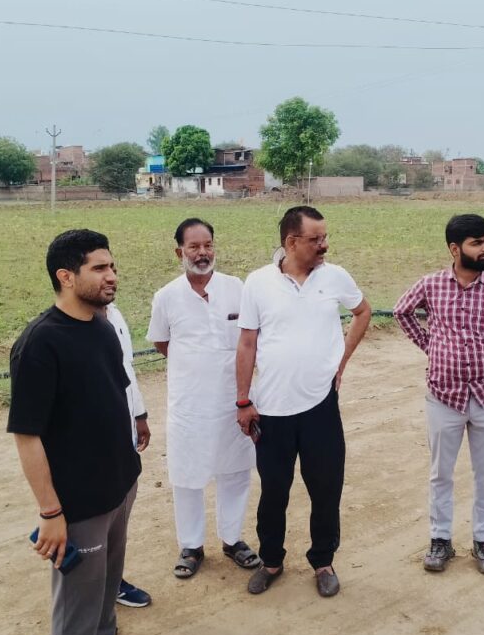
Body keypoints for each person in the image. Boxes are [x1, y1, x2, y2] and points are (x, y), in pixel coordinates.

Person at [8, 229, 148, 635]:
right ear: (66, 276)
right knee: (77, 605)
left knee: (107, 589)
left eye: (112, 266)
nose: (112, 275)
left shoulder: (103, 328)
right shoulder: (40, 343)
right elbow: (27, 436)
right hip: (78, 505)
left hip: (119, 487)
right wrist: (51, 512)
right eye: (99, 268)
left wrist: (129, 471)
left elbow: (114, 398)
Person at [236, 206, 371, 598]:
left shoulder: (335, 276)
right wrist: (243, 401)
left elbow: (362, 311)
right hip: (271, 409)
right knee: (274, 491)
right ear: (291, 242)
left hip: (320, 406)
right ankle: (271, 561)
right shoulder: (258, 282)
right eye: (316, 239)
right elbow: (247, 342)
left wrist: (342, 360)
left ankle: (323, 561)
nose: (324, 245)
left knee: (326, 487)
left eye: (325, 237)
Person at [393, 213, 484, 576]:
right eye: (477, 243)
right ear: (455, 249)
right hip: (444, 396)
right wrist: (431, 346)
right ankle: (440, 539)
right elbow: (402, 311)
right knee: (441, 473)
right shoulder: (431, 284)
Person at [147, 218, 261, 579]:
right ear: (179, 251)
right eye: (194, 247)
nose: (202, 253)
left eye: (208, 245)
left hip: (233, 399)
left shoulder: (236, 288)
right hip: (190, 404)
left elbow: (249, 339)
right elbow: (161, 342)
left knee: (235, 470)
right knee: (187, 474)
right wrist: (196, 364)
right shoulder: (166, 296)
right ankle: (191, 546)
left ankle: (232, 540)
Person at [104, 301, 153, 609]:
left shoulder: (115, 313)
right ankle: (93, 603)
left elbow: (127, 370)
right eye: (100, 275)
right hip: (94, 444)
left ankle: (112, 584)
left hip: (125, 433)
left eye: (112, 274)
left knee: (119, 517)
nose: (111, 278)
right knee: (92, 526)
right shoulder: (65, 328)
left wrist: (139, 414)